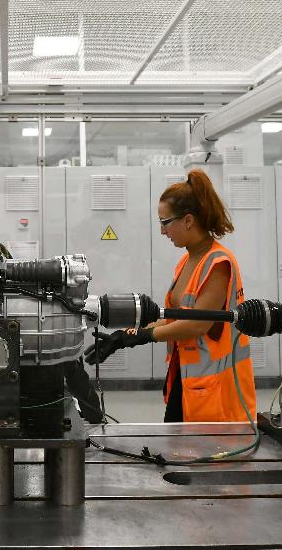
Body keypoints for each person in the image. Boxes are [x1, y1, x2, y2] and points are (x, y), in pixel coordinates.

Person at [84, 170, 256, 422]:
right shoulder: (187, 261)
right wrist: (125, 336)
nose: (163, 231)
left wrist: (144, 336)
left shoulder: (218, 264)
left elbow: (197, 324)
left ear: (188, 220)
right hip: (188, 379)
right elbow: (175, 318)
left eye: (165, 222)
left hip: (217, 387)